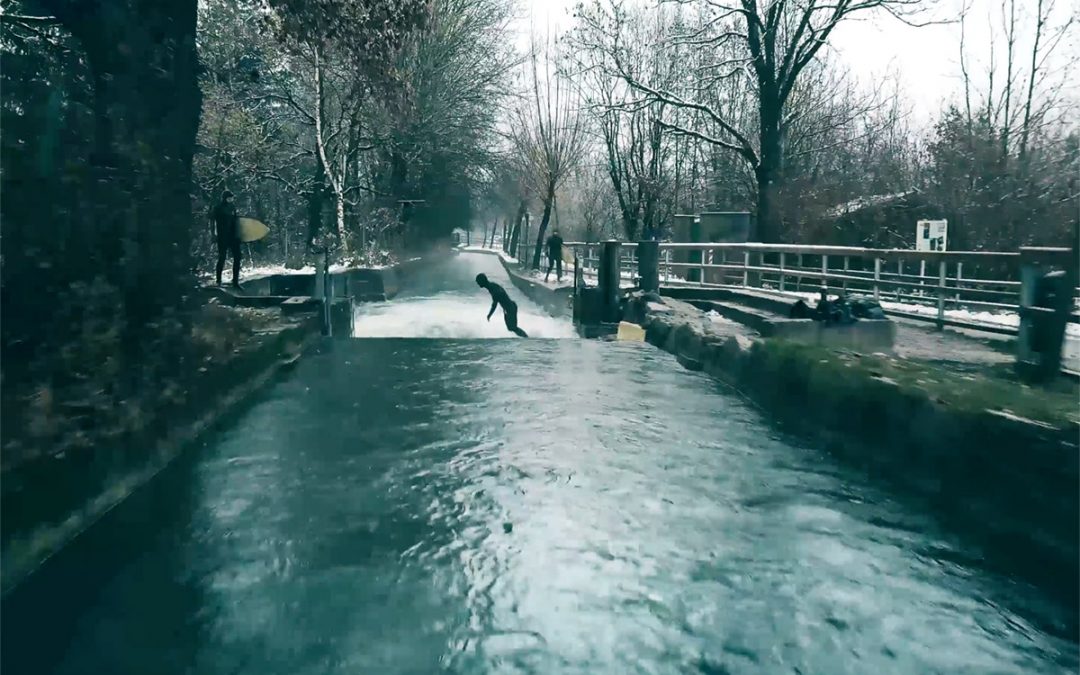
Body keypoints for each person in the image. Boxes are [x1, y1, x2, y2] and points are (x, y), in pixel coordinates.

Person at [476, 273, 528, 337]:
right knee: (511, 328)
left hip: (510, 308)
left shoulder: (493, 289)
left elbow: (494, 304)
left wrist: (489, 314)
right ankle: (525, 338)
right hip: (509, 308)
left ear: (482, 281)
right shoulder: (492, 285)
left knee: (513, 328)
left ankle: (526, 338)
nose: (477, 283)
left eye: (478, 281)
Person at [212, 189, 242, 288]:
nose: (231, 199)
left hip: (233, 236)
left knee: (237, 257)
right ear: (225, 198)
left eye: (231, 198)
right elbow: (212, 222)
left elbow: (236, 221)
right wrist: (213, 234)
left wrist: (239, 235)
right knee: (222, 258)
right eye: (229, 198)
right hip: (222, 236)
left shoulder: (233, 207)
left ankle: (235, 281)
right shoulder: (218, 208)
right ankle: (218, 280)